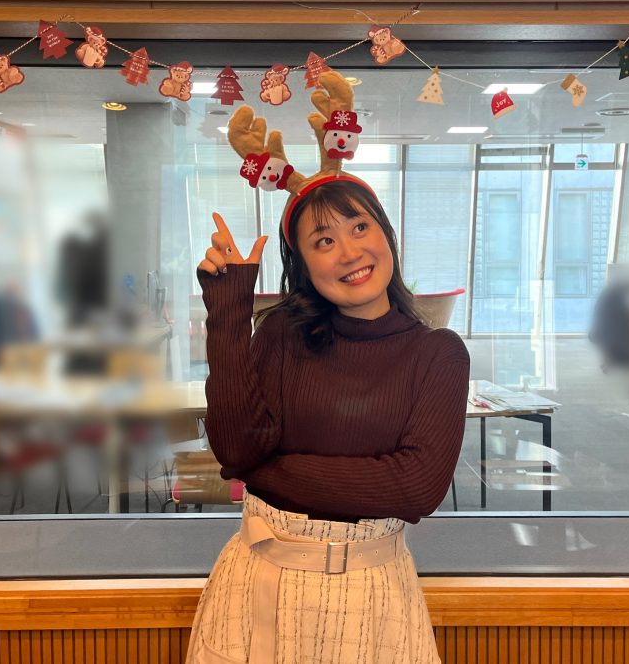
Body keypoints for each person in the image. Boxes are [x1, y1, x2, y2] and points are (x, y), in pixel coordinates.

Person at [187, 71, 470, 664]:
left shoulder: (438, 354)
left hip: (373, 594)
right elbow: (236, 451)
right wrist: (229, 308)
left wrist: (268, 470)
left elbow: (417, 488)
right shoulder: (282, 333)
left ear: (385, 234)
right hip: (258, 583)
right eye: (323, 241)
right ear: (304, 264)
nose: (350, 252)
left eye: (360, 227)